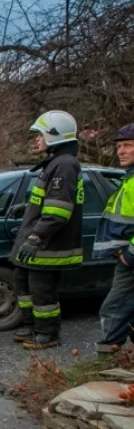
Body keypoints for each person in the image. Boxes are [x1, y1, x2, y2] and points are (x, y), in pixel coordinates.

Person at [10, 110, 84, 351]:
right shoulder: (55, 163)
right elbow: (47, 202)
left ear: (54, 135)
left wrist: (36, 236)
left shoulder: (64, 165)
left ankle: (48, 333)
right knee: (24, 282)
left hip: (48, 246)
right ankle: (32, 326)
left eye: (40, 135)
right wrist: (29, 207)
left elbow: (58, 211)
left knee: (42, 292)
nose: (36, 140)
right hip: (38, 243)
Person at [93, 123, 134, 358]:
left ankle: (107, 360)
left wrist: (130, 254)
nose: (121, 151)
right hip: (127, 260)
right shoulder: (129, 179)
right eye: (119, 146)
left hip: (130, 262)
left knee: (114, 307)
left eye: (127, 145)